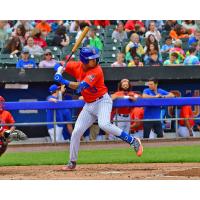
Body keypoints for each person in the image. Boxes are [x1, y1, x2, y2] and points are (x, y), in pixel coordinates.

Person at [54, 47, 143, 170]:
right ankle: (72, 162)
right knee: (76, 132)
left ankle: (133, 141)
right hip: (89, 105)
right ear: (84, 60)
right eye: (92, 59)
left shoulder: (97, 71)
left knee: (104, 124)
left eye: (95, 58)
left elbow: (80, 86)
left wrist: (62, 79)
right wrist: (59, 69)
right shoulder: (76, 66)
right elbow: (57, 65)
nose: (96, 60)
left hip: (102, 101)